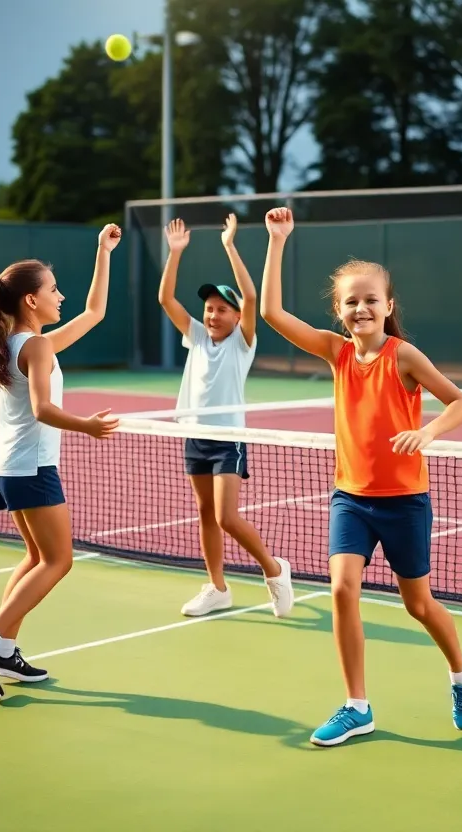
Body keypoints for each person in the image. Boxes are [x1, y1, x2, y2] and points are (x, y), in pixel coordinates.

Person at [258, 206, 462, 747]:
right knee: (342, 588)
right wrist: (277, 241)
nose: (362, 307)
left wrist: (426, 433)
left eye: (371, 299)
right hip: (351, 499)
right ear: (339, 311)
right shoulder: (336, 353)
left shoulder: (403, 356)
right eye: (351, 301)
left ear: (388, 307)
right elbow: (269, 312)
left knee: (418, 604)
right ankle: (357, 706)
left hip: (404, 502)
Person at [0, 224, 123, 701]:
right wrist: (87, 425)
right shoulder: (36, 346)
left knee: (34, 557)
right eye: (52, 289)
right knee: (58, 559)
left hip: (6, 467)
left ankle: (4, 647)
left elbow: (94, 311)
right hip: (31, 468)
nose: (60, 295)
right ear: (31, 300)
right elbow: (45, 410)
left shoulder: (15, 344)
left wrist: (103, 252)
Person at [157, 213, 295, 618]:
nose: (213, 315)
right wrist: (175, 253)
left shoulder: (242, 342)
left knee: (227, 516)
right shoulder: (196, 336)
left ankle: (274, 570)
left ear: (236, 318)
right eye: (209, 308)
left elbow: (252, 298)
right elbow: (166, 299)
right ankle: (217, 587)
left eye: (221, 309)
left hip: (227, 438)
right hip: (194, 434)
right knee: (205, 514)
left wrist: (230, 246)